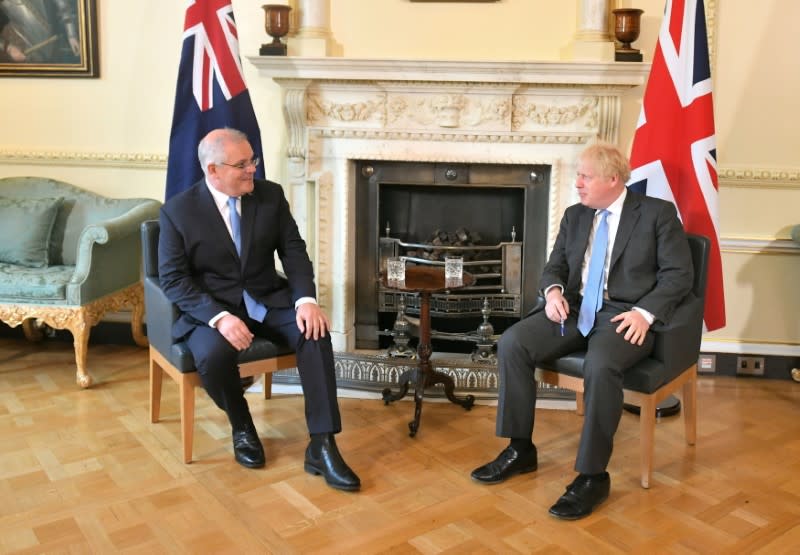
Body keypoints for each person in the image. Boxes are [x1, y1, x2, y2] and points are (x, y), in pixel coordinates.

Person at [470, 142, 693, 519]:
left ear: (612, 178)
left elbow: (679, 274)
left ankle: (592, 476)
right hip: (573, 311)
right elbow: (553, 266)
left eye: (585, 176)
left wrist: (645, 313)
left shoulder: (657, 214)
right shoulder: (576, 216)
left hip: (624, 315)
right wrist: (553, 291)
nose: (577, 184)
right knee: (512, 343)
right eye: (577, 175)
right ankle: (520, 448)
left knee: (601, 365)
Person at [158, 127, 360, 492]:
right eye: (242, 164)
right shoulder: (178, 212)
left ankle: (323, 444)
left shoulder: (270, 196)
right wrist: (219, 318)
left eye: (253, 160)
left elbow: (294, 251)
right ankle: (242, 426)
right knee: (214, 356)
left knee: (314, 333)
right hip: (212, 310)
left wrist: (306, 301)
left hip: (268, 299)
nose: (253, 169)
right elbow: (173, 280)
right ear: (213, 171)